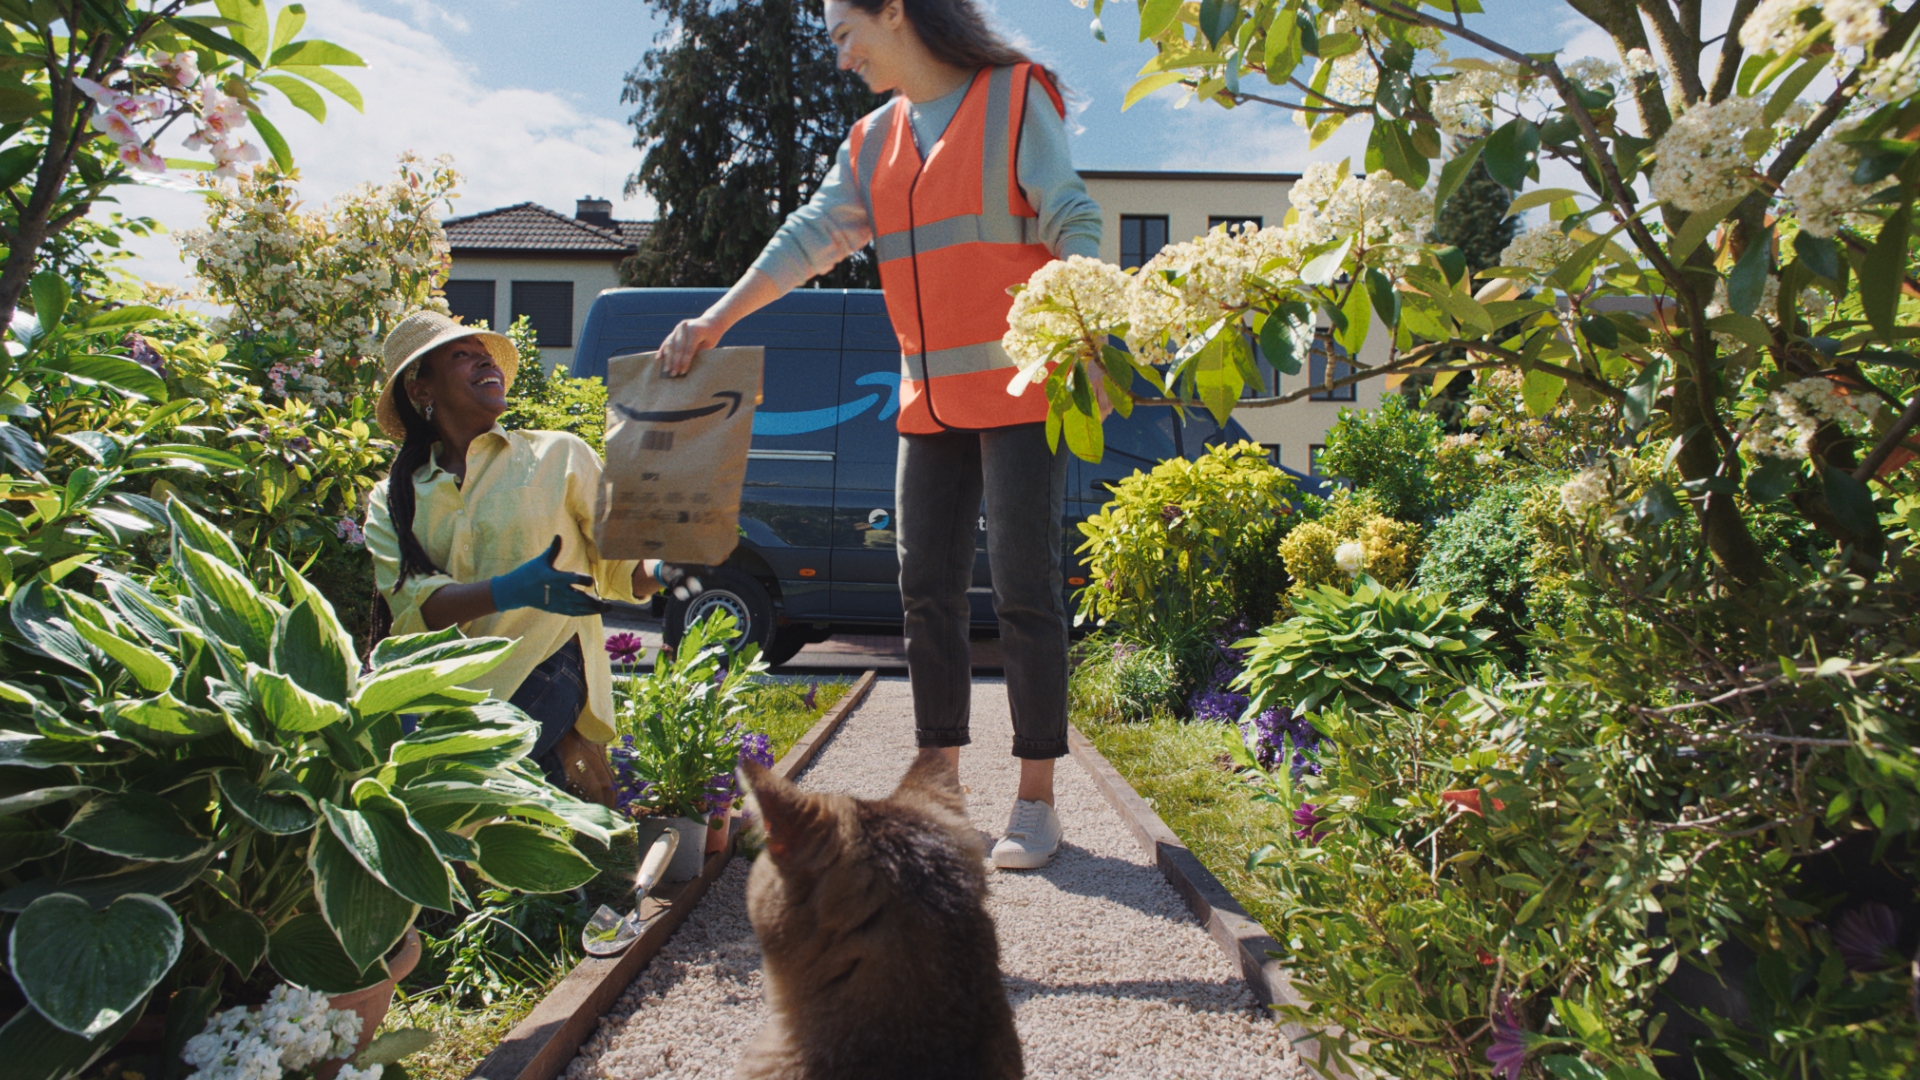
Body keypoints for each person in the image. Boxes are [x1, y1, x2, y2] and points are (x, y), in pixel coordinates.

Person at [656, 0, 1102, 869]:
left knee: (1023, 589)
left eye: (843, 32)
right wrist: (713, 321)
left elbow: (1071, 216)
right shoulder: (871, 142)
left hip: (1020, 388)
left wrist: (1079, 324)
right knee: (923, 590)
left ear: (893, 11)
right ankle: (939, 785)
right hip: (928, 400)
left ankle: (1037, 801)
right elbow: (807, 239)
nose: (840, 55)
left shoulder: (1014, 97)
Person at [364, 310, 701, 796]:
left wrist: (674, 561)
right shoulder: (392, 498)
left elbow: (624, 573)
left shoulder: (560, 456)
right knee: (441, 800)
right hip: (443, 688)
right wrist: (511, 590)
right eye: (464, 356)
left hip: (546, 664)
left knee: (458, 791)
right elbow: (417, 606)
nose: (487, 364)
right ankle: (564, 780)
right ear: (422, 390)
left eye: (488, 357)